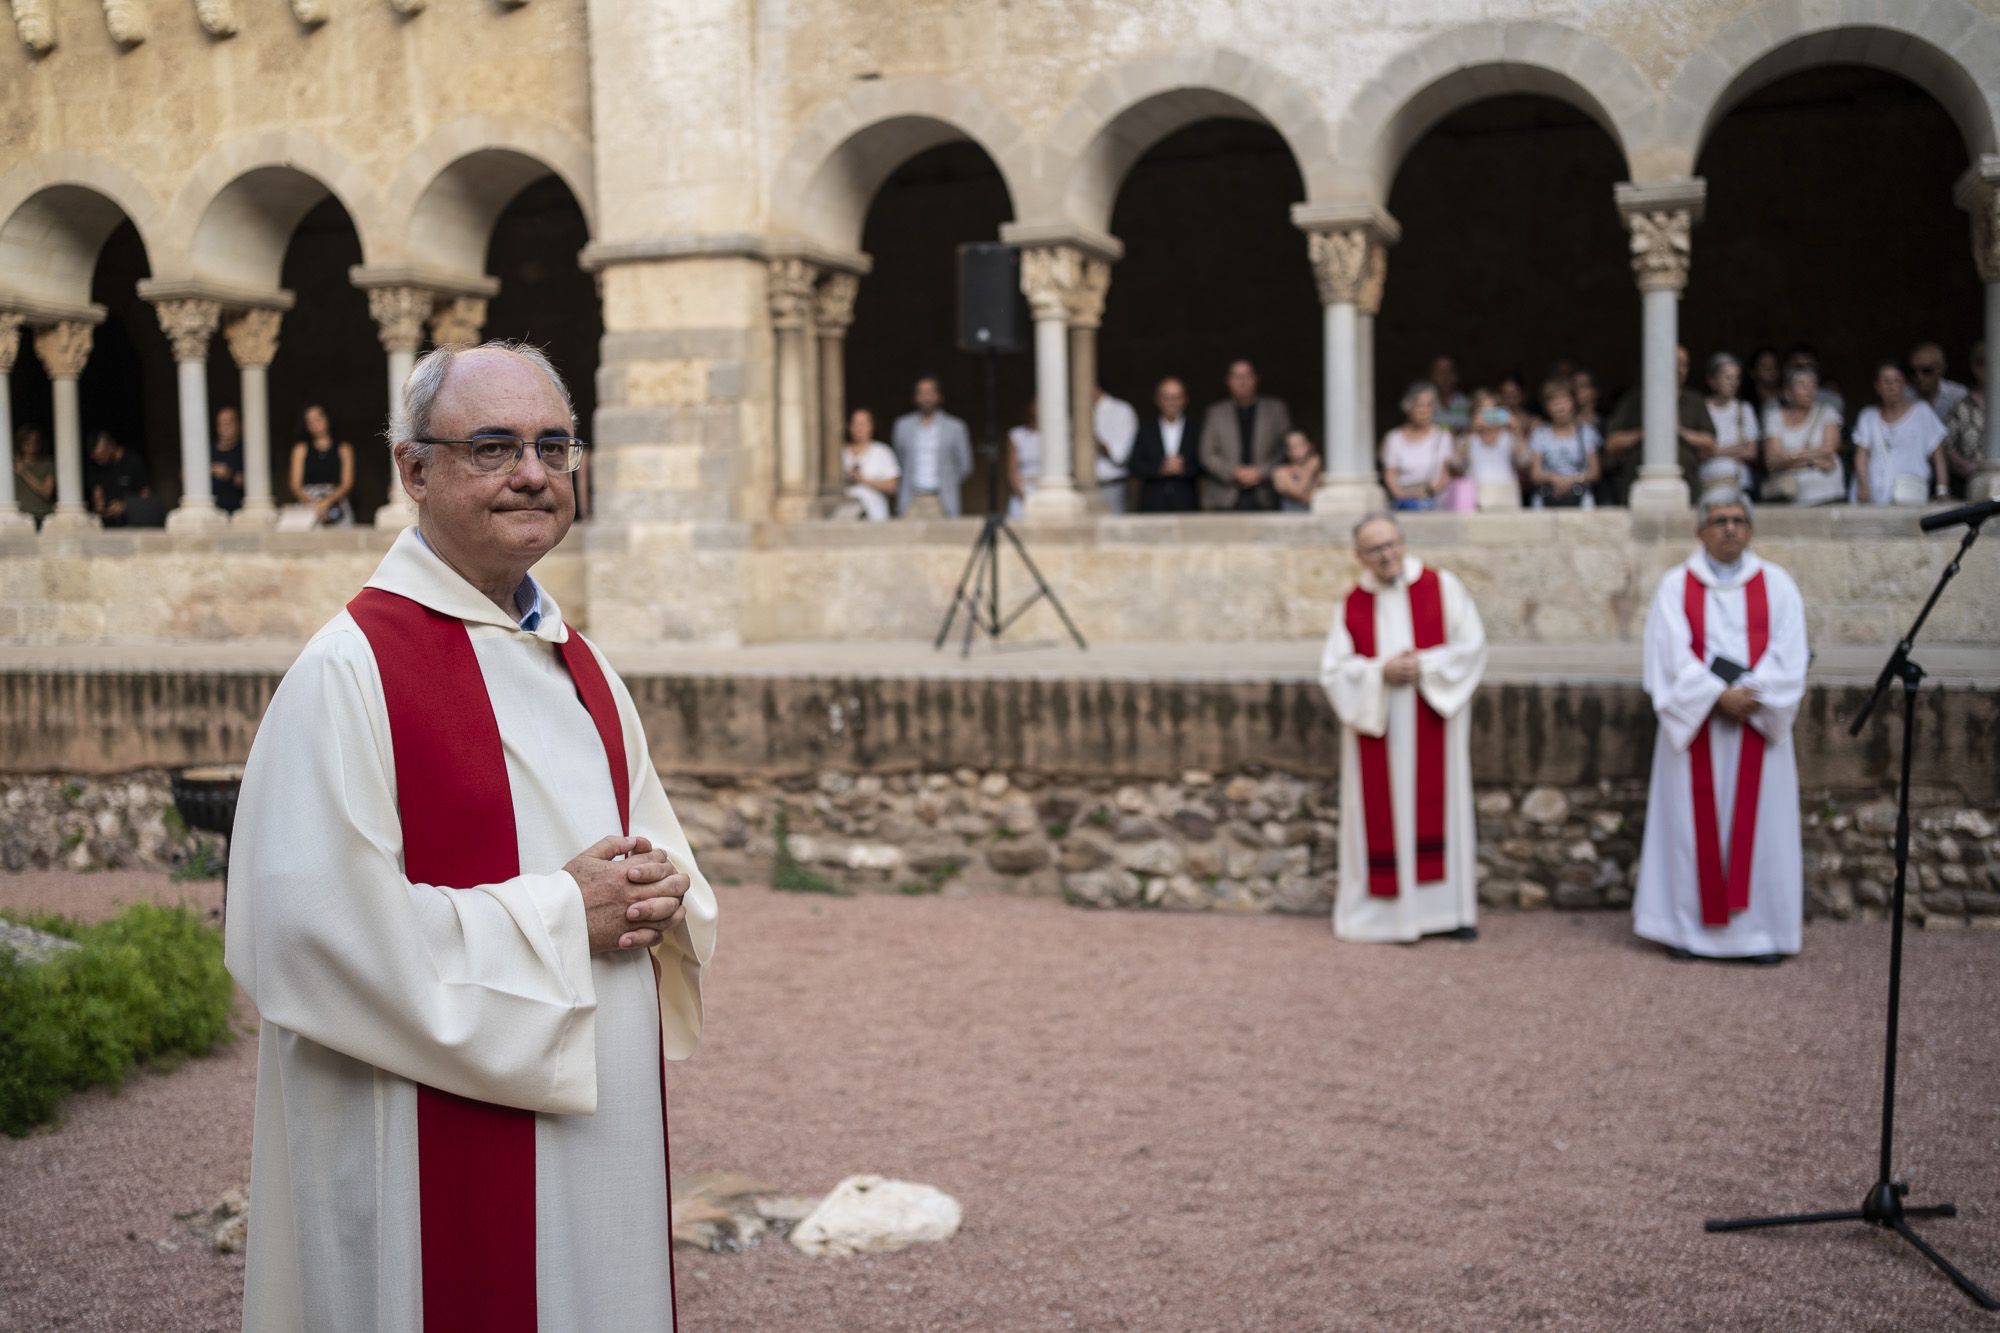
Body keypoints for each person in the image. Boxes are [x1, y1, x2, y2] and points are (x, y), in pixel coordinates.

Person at [226, 340, 717, 1330]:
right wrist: (556, 913)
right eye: (491, 446)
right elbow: (303, 936)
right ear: (413, 469)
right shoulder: (349, 670)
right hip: (420, 1141)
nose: (532, 473)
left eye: (552, 444)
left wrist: (664, 892)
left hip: (594, 1129)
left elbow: (655, 851)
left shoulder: (578, 661)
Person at [1633, 488, 1806, 962]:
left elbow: (1790, 656)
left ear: (1749, 529)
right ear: (1700, 531)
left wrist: (1749, 694)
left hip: (1757, 728)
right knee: (1688, 828)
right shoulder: (1674, 586)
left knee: (1763, 833)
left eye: (1737, 519)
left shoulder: (1778, 585)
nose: (1729, 528)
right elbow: (1668, 656)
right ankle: (1685, 931)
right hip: (1696, 732)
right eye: (1719, 520)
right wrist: (1716, 695)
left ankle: (1762, 934)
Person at [1318, 514, 1487, 944]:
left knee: (1439, 807)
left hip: (1432, 721)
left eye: (1392, 544)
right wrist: (1380, 673)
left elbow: (1472, 647)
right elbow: (1333, 671)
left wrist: (1423, 665)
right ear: (1359, 556)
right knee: (1384, 814)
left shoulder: (1441, 586)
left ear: (1403, 542)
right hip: (1382, 731)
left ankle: (1448, 913)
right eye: (1375, 549)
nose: (1387, 555)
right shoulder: (1352, 603)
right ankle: (1385, 917)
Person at [1601, 345, 1708, 505]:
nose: (1678, 369)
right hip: (1638, 491)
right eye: (1674, 363)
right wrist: (1647, 431)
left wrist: (1679, 431)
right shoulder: (1633, 400)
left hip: (1686, 492)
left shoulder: (1695, 401)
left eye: (1683, 364)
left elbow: (1711, 443)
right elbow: (1612, 444)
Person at [1198, 359, 1290, 511]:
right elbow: (1207, 453)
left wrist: (1261, 471)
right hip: (1224, 497)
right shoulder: (1215, 413)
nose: (1242, 382)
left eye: (1247, 376)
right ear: (1228, 381)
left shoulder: (1276, 410)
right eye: (1237, 377)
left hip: (1266, 495)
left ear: (1255, 379)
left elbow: (1285, 449)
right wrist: (1234, 472)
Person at [1852, 361, 1948, 506]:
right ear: (1877, 386)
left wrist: (1942, 489)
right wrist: (1863, 485)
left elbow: (1938, 455)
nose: (1891, 386)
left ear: (1905, 385)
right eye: (1886, 381)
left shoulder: (1922, 412)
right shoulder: (1868, 416)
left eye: (1897, 381)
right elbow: (1862, 454)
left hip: (1911, 494)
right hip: (1874, 496)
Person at [1759, 366, 1845, 507]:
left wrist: (1790, 457)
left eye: (1812, 385)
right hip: (1788, 493)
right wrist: (1812, 461)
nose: (1809, 391)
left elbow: (1828, 450)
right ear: (1788, 392)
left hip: (1828, 491)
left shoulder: (1827, 412)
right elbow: (1772, 460)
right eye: (1803, 385)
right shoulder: (1774, 417)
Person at [891, 376, 971, 518]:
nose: (926, 397)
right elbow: (898, 460)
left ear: (939, 396)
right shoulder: (902, 426)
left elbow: (965, 466)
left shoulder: (955, 427)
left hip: (942, 500)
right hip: (911, 499)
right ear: (915, 397)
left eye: (930, 392)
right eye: (921, 393)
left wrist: (948, 482)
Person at [1686, 352, 1761, 494]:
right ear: (1712, 381)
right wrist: (1737, 448)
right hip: (1705, 482)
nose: (1733, 383)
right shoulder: (1700, 407)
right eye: (1728, 378)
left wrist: (1713, 450)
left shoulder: (1745, 409)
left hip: (1739, 483)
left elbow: (1751, 451)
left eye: (1737, 378)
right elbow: (1697, 453)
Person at [1128, 376, 1200, 513]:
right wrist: (1160, 468)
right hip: (1153, 503)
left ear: (1185, 399)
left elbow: (1203, 464)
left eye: (1176, 397)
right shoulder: (1146, 429)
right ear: (1158, 400)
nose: (1172, 402)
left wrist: (1183, 468)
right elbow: (1135, 465)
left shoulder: (1195, 429)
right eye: (1167, 397)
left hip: (1185, 503)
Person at [1379, 382, 1454, 511]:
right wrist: (1403, 497)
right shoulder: (1394, 438)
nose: (1424, 411)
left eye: (1429, 405)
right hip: (1403, 503)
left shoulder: (1443, 437)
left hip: (1434, 502)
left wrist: (1431, 492)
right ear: (1409, 407)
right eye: (1419, 405)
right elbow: (1390, 474)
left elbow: (1446, 473)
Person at [1526, 378, 1600, 507]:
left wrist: (1572, 480)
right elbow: (1535, 473)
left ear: (1573, 402)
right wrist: (1554, 479)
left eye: (1564, 400)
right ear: (1546, 406)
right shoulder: (1540, 434)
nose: (1560, 407)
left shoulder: (1586, 432)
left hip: (1581, 499)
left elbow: (1595, 472)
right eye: (1554, 402)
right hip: (1546, 499)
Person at [1458, 390, 1527, 511]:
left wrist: (1516, 430)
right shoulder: (1468, 437)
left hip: (1506, 496)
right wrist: (1470, 431)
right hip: (1475, 499)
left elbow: (1524, 460)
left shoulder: (1508, 436)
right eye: (1483, 411)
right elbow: (1457, 463)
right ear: (1474, 414)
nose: (1487, 416)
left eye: (1492, 411)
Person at [289, 404, 355, 526]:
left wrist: (327, 502)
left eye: (318, 419)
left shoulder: (344, 449)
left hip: (336, 503)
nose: (315, 424)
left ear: (327, 419)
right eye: (310, 422)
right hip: (308, 502)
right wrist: (314, 504)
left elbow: (347, 483)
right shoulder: (300, 450)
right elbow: (295, 485)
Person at [1941, 340, 1986, 499]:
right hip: (1970, 485)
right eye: (1984, 365)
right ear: (1976, 368)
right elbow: (1946, 445)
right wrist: (1966, 468)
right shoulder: (1962, 406)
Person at [839, 407, 900, 522]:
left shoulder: (882, 452)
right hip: (845, 515)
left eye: (863, 424)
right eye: (855, 424)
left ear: (871, 426)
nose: (859, 428)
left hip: (874, 515)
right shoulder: (841, 454)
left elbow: (892, 486)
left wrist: (862, 480)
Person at [86, 430, 156, 526]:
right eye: (96, 458)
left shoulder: (132, 461)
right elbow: (97, 491)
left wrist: (126, 506)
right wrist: (99, 505)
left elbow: (146, 495)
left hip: (132, 521)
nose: (99, 461)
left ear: (111, 446)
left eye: (102, 455)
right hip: (107, 522)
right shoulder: (95, 466)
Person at [1092, 386, 1139, 513]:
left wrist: (1098, 445)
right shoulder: (1078, 411)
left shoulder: (1121, 410)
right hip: (1081, 487)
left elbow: (1122, 454)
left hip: (1112, 485)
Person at [1909, 341, 1968, 424]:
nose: (1919, 377)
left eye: (1926, 370)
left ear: (1941, 369)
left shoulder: (1958, 396)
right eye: (1912, 371)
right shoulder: (1905, 396)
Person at [12, 424, 55, 526]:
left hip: (42, 515)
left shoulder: (47, 464)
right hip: (18, 517)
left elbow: (46, 492)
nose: (32, 444)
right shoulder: (10, 465)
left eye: (36, 441)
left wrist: (24, 472)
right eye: (28, 441)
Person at [1004, 400, 1041, 519]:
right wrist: (1022, 495)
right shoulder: (1016, 435)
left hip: (1046, 488)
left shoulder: (1056, 434)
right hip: (1023, 489)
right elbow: (1012, 468)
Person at [1272, 429, 1322, 512]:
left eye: (1300, 445)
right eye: (1291, 446)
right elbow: (1300, 493)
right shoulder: (1280, 472)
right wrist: (1309, 469)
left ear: (1310, 445)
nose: (1295, 450)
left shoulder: (1318, 471)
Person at [211, 405, 246, 514]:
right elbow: (185, 476)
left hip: (239, 513)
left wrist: (227, 474)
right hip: (210, 512)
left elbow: (254, 483)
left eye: (230, 422)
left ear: (239, 425)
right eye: (222, 422)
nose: (225, 426)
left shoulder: (247, 452)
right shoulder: (205, 451)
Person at [1428, 355, 1471, 432]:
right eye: (1440, 372)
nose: (1445, 376)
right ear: (1432, 376)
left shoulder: (1467, 403)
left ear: (1456, 376)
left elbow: (1495, 417)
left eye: (1449, 371)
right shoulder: (1423, 402)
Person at [1747, 346, 1783, 417]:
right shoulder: (1747, 404)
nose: (1770, 369)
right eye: (1764, 366)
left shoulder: (1788, 399)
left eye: (1774, 365)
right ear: (1752, 372)